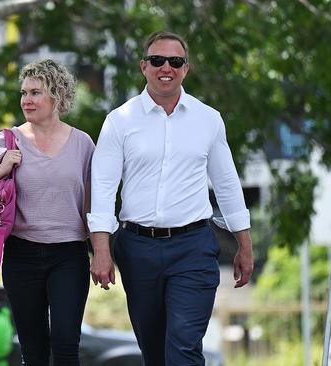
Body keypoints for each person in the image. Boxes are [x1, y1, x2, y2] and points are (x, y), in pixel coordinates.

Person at [87, 31, 254, 366]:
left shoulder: (208, 119)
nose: (167, 67)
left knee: (184, 349)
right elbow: (102, 188)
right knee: (154, 352)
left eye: (175, 61)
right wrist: (101, 250)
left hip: (193, 248)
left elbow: (227, 184)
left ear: (186, 69)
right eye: (157, 60)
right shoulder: (119, 121)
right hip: (137, 249)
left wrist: (245, 244)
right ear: (144, 66)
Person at [0, 59, 95, 366]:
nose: (26, 100)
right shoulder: (6, 140)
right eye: (23, 93)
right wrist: (1, 169)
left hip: (69, 255)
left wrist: (101, 251)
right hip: (22, 255)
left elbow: (90, 206)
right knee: (33, 350)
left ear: (56, 96)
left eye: (35, 93)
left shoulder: (83, 144)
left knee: (66, 343)